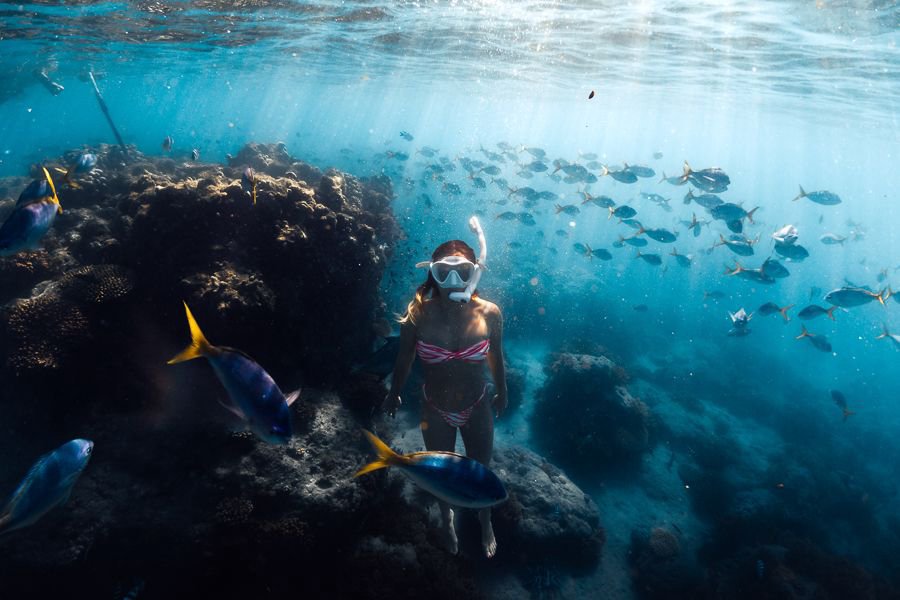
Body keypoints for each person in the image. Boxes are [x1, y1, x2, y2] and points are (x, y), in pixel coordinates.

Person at [383, 216, 507, 558]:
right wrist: (394, 391)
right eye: (443, 273)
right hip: (434, 408)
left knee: (481, 472)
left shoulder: (490, 314)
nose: (453, 281)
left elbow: (496, 356)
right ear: (432, 275)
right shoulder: (417, 315)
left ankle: (485, 522)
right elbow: (404, 359)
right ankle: (446, 519)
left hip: (478, 404)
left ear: (474, 274)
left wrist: (503, 391)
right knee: (441, 478)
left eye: (463, 273)